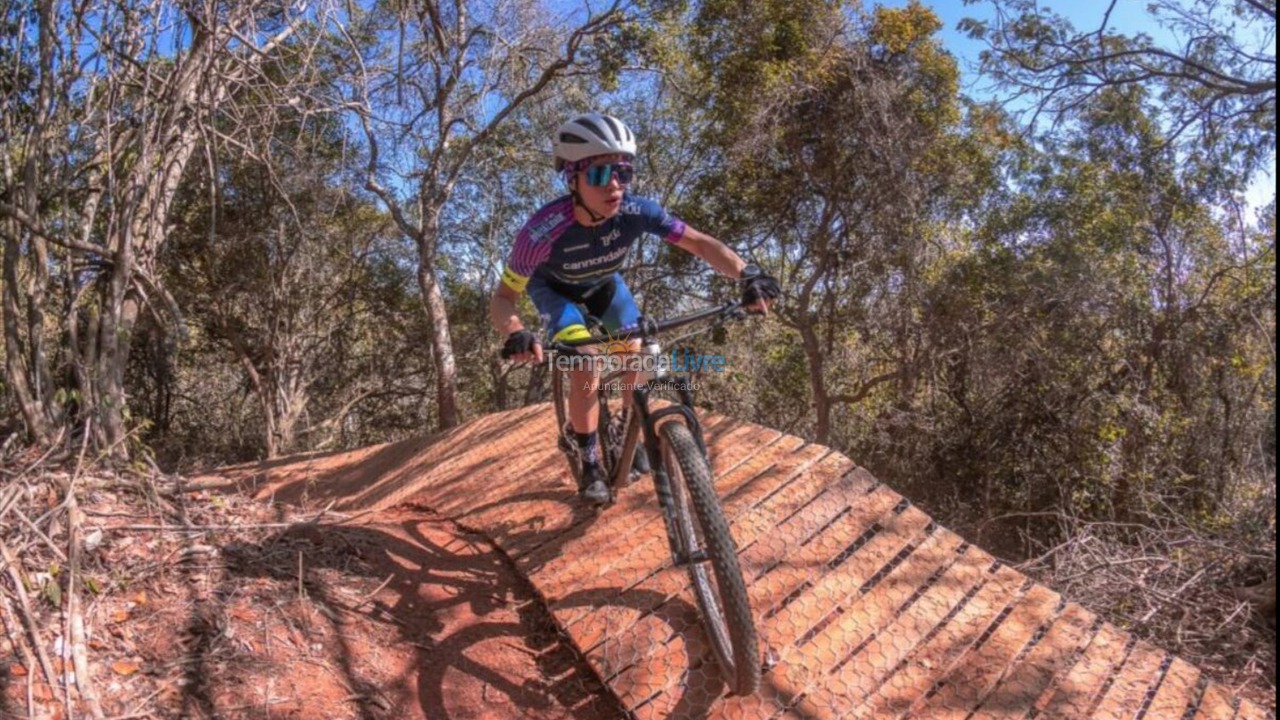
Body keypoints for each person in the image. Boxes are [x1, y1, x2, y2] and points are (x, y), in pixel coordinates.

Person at [490, 112, 780, 505]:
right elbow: (503, 298)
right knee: (585, 364)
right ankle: (590, 462)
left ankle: (629, 429)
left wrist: (747, 274)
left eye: (623, 173)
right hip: (555, 292)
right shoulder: (541, 232)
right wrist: (515, 332)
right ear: (572, 179)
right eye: (598, 174)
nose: (614, 185)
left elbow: (697, 242)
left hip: (604, 285)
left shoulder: (636, 211)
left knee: (637, 352)